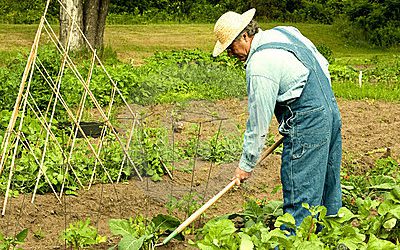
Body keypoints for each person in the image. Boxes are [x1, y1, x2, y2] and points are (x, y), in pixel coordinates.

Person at [212, 8, 342, 228]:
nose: (230, 54)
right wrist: (319, 111)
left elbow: (258, 121)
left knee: (300, 195)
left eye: (230, 48)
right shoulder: (285, 32)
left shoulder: (259, 64)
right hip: (330, 112)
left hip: (308, 124)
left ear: (244, 36)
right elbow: (322, 65)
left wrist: (246, 164)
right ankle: (330, 237)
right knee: (328, 188)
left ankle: (293, 241)